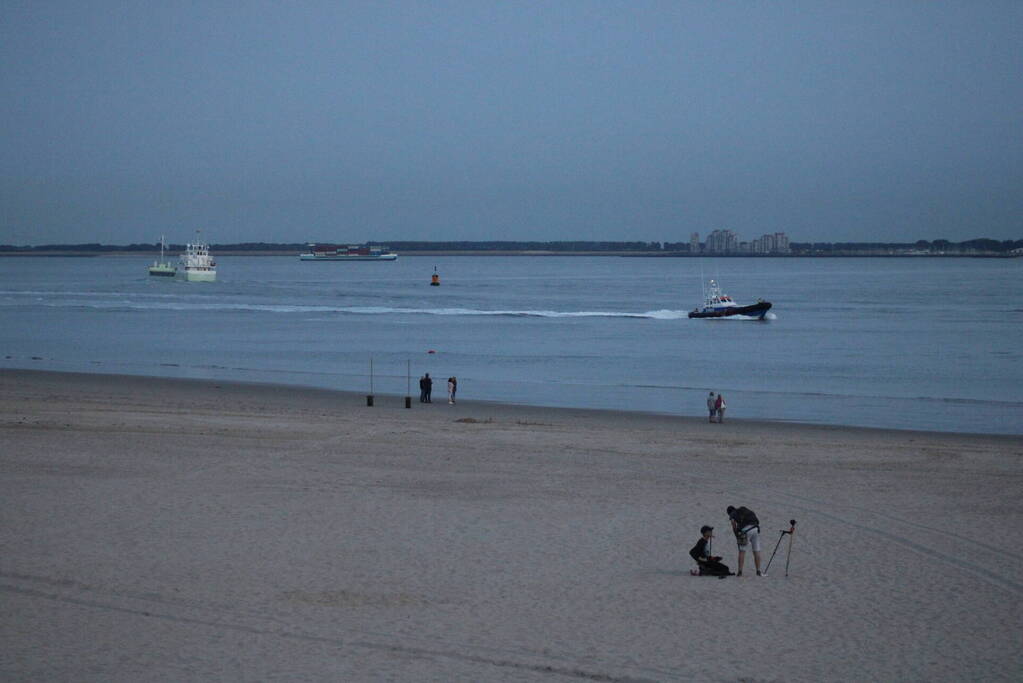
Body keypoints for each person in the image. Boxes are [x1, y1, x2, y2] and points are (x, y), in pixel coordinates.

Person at [727, 505, 764, 576]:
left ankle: (740, 571)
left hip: (745, 530)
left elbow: (733, 525)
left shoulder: (732, 514)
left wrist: (737, 536)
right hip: (755, 528)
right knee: (756, 551)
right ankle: (758, 571)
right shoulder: (743, 508)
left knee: (742, 551)